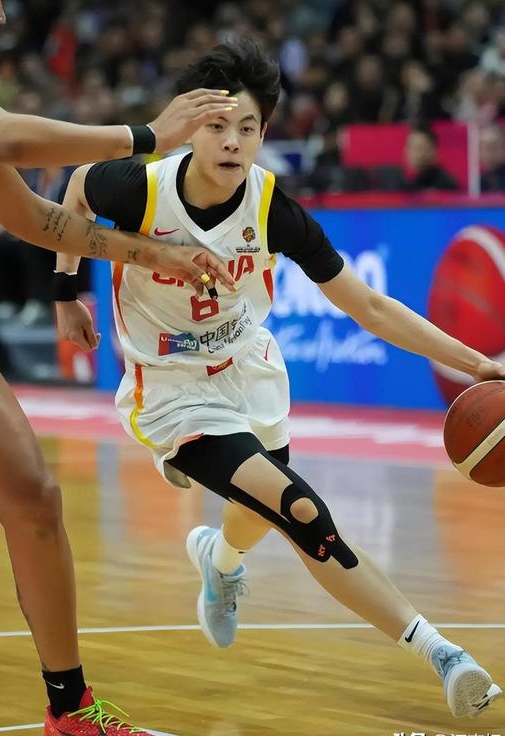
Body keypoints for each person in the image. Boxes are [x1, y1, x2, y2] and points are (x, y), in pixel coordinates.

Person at [57, 39, 505, 720]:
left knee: (257, 514)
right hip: (173, 391)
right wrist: (65, 291)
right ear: (189, 126)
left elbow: (369, 306)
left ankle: (220, 562)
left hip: (249, 370)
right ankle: (443, 654)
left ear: (264, 133)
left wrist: (475, 363)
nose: (232, 142)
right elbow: (75, 190)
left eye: (248, 127)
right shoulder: (139, 188)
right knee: (301, 511)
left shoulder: (272, 209)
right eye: (217, 125)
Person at [0, 3, 236, 735]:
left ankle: (71, 710)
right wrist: (147, 136)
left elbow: (29, 215)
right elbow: (5, 135)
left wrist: (152, 253)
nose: (0, 9)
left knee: (33, 497)